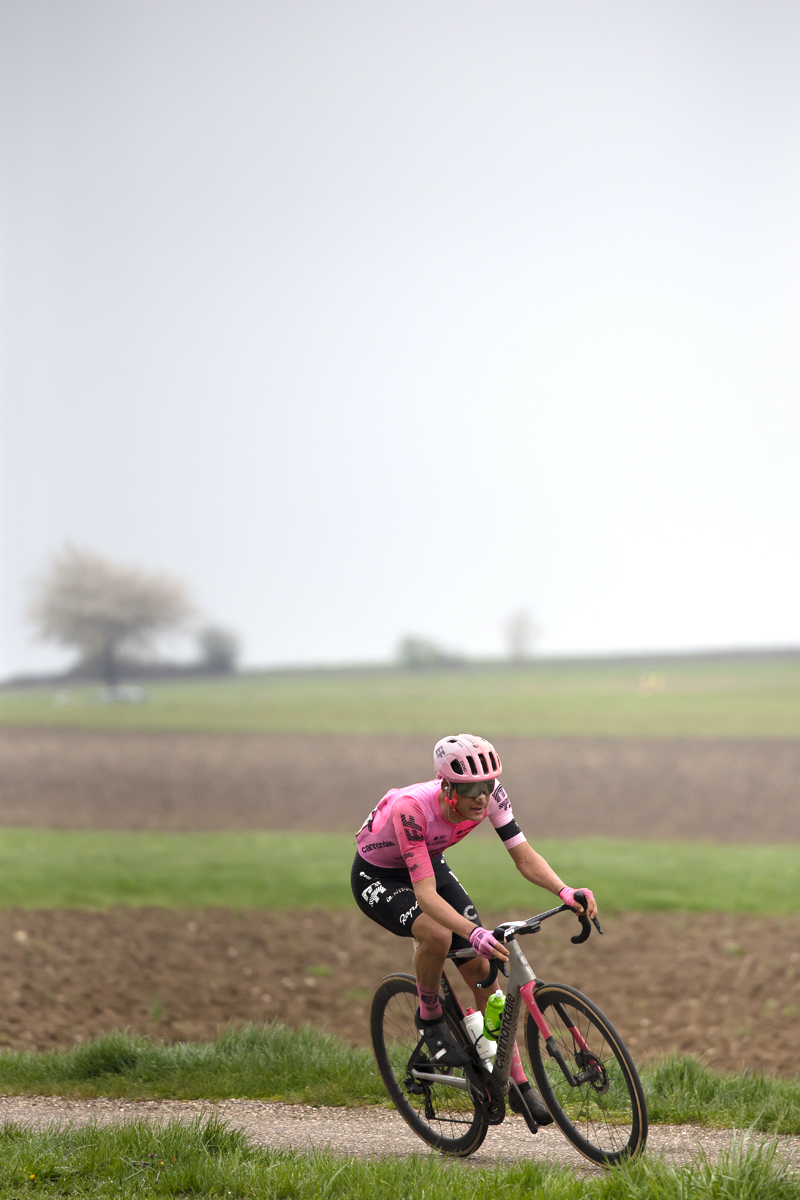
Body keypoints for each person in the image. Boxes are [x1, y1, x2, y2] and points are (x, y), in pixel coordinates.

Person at [352, 733, 597, 1128]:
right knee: (438, 934)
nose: (481, 797)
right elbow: (427, 896)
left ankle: (516, 1082)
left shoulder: (493, 794)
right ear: (447, 787)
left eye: (486, 786)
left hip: (426, 861)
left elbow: (523, 855)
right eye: (470, 790)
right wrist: (475, 932)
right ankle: (430, 1015)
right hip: (378, 876)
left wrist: (564, 890)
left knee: (482, 971)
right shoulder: (412, 808)